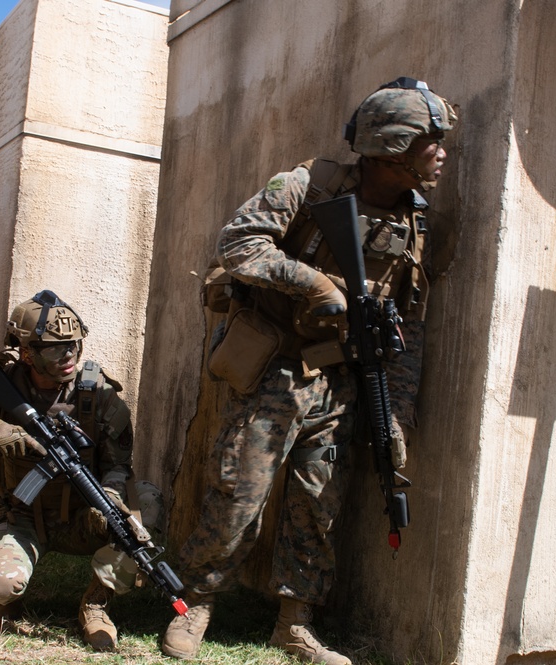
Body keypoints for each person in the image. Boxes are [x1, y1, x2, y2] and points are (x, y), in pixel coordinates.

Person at [162, 77, 457, 665]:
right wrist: (318, 283)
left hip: (346, 380)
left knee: (318, 501)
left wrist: (395, 414)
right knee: (238, 492)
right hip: (276, 370)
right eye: (431, 141)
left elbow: (411, 330)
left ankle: (294, 622)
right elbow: (239, 246)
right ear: (395, 144)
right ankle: (193, 603)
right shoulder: (307, 186)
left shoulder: (419, 226)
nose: (442, 153)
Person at [0, 290, 163, 652]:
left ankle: (96, 604)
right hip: (21, 514)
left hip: (82, 515)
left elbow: (118, 466)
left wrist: (109, 498)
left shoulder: (98, 396)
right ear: (27, 351)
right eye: (54, 349)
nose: (68, 357)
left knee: (146, 504)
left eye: (74, 346)